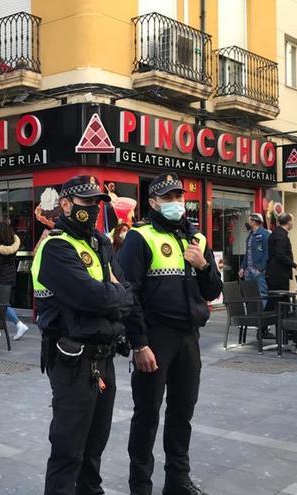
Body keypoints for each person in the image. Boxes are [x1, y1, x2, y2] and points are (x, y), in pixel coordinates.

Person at [120, 173, 222, 495]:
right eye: (167, 198)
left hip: (188, 337)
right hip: (155, 336)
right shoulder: (140, 237)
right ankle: (140, 486)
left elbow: (214, 289)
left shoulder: (197, 239)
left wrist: (203, 264)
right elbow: (128, 294)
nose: (176, 203)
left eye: (179, 197)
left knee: (183, 411)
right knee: (147, 414)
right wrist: (139, 343)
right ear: (153, 202)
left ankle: (178, 480)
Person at [31, 175, 132, 495]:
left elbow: (127, 293)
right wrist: (114, 294)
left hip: (104, 357)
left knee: (95, 445)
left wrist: (115, 296)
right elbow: (92, 297)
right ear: (65, 205)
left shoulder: (100, 242)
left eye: (97, 203)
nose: (92, 208)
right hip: (71, 360)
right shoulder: (55, 247)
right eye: (86, 202)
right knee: (68, 448)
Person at [266, 212, 297, 353]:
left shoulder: (276, 234)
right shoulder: (281, 236)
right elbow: (280, 255)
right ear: (288, 222)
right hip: (278, 275)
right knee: (282, 302)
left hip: (274, 274)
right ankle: (289, 330)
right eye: (292, 221)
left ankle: (286, 330)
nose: (293, 223)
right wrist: (294, 265)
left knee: (274, 302)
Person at [0, 222, 30, 341]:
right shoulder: (13, 245)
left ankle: (19, 324)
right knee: (0, 303)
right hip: (10, 277)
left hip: (1, 278)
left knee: (2, 304)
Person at [239, 213, 270, 307]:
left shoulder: (265, 234)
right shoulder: (250, 235)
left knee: (262, 292)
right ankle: (252, 314)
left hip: (258, 270)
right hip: (249, 271)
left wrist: (261, 268)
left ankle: (263, 316)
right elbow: (247, 253)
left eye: (249, 220)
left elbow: (267, 252)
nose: (248, 222)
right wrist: (242, 268)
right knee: (249, 294)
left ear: (254, 222)